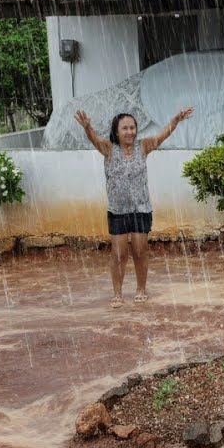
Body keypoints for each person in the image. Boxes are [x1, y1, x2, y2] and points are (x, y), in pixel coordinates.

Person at [74, 107, 193, 308]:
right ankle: (117, 293)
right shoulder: (108, 149)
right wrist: (87, 128)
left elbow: (161, 136)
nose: (130, 132)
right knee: (119, 254)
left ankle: (140, 289)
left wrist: (176, 119)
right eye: (125, 128)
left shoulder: (143, 146)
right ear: (117, 131)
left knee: (140, 251)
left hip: (141, 209)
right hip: (118, 211)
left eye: (132, 128)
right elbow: (94, 139)